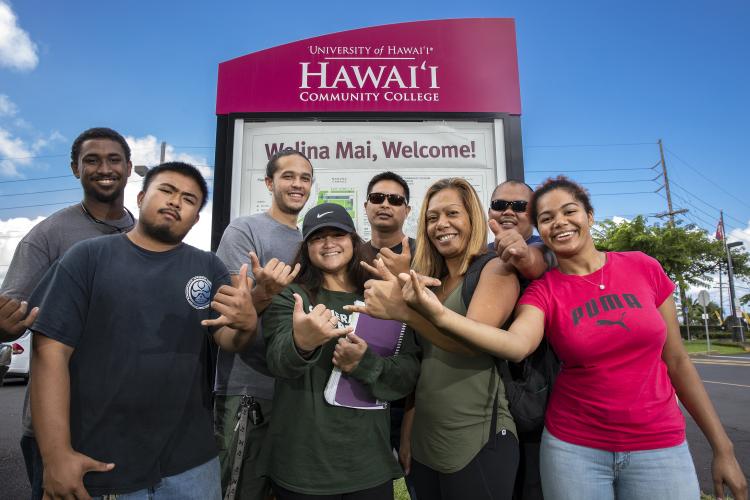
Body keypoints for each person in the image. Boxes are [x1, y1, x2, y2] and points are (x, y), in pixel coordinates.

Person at [397, 176, 748, 500]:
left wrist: (723, 447)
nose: (559, 222)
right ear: (541, 228)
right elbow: (517, 344)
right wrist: (436, 313)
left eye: (569, 211)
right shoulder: (543, 290)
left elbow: (678, 362)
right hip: (574, 447)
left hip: (659, 445)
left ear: (590, 216)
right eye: (548, 217)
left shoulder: (643, 267)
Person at [29, 162, 259, 499]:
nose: (175, 201)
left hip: (192, 465)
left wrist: (247, 324)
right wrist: (55, 455)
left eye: (189, 199)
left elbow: (227, 339)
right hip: (100, 461)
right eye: (166, 190)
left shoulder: (208, 266)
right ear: (139, 197)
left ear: (195, 218)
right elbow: (49, 353)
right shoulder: (88, 257)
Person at [350, 177, 521, 500]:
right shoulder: (429, 281)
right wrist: (408, 432)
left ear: (472, 217)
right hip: (426, 442)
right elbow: (422, 362)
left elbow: (470, 345)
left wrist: (405, 311)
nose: (441, 224)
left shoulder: (495, 269)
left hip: (478, 437)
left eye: (452, 213)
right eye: (432, 217)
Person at [0, 127, 136, 499]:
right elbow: (11, 316)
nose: (103, 168)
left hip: (127, 419)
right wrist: (4, 328)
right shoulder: (47, 236)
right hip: (59, 426)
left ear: (129, 167)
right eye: (91, 160)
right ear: (76, 169)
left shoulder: (145, 235)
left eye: (113, 159)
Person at [259, 203, 421, 499]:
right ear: (306, 247)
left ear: (353, 240)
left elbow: (407, 375)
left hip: (368, 465)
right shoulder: (291, 296)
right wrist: (302, 343)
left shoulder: (382, 297)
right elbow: (277, 362)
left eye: (338, 234)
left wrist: (365, 363)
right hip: (302, 468)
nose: (329, 243)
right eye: (318, 237)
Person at [213, 148, 313, 500]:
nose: (297, 184)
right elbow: (229, 314)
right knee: (240, 492)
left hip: (296, 396)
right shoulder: (244, 230)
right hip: (248, 392)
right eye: (288, 176)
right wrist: (263, 292)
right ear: (270, 183)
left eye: (304, 178)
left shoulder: (312, 242)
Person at [487, 179, 551, 500]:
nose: (508, 211)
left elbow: (534, 260)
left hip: (539, 405)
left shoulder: (550, 252)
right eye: (500, 205)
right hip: (487, 402)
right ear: (489, 212)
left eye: (519, 206)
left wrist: (522, 252)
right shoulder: (479, 258)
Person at [362, 171, 417, 499]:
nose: (386, 205)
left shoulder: (425, 256)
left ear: (407, 210)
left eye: (395, 200)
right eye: (378, 198)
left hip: (409, 396)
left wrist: (410, 425)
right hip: (359, 393)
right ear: (366, 205)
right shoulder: (349, 255)